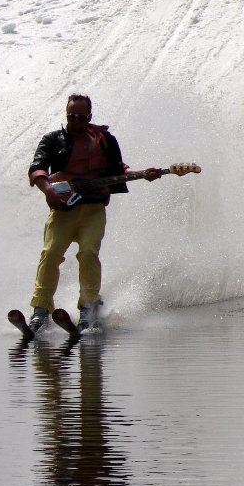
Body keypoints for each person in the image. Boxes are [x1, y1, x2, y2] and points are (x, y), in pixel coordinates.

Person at [26, 94, 162, 332]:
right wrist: (48, 191)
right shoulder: (53, 139)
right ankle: (40, 309)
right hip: (64, 209)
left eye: (80, 117)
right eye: (71, 117)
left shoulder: (105, 141)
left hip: (93, 209)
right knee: (51, 253)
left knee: (88, 252)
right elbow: (38, 167)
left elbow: (119, 170)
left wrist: (142, 173)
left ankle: (89, 307)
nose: (75, 121)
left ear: (89, 117)